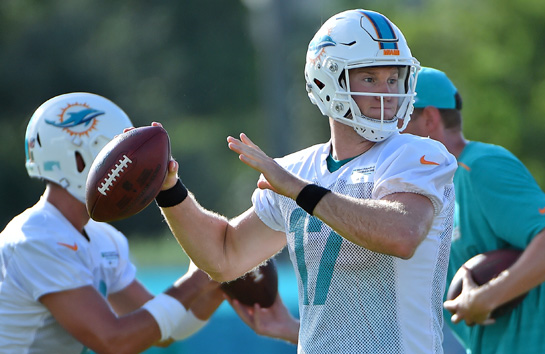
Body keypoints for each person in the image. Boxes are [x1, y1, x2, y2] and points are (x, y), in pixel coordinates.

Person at [153, 9, 457, 354]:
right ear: (327, 81)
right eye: (369, 79)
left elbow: (401, 234)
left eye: (393, 78)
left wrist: (299, 190)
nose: (385, 93)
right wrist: (169, 191)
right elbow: (224, 257)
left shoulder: (417, 154)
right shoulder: (298, 169)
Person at [0, 92, 226, 353]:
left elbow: (165, 331)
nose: (129, 162)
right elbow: (114, 341)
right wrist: (199, 278)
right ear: (78, 159)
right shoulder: (36, 239)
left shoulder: (101, 238)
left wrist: (218, 282)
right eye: (117, 149)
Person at [402, 67, 545, 353]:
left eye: (398, 120)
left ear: (429, 118)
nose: (388, 134)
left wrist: (489, 296)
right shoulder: (426, 193)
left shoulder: (482, 166)